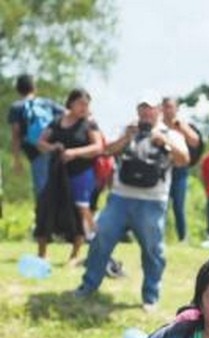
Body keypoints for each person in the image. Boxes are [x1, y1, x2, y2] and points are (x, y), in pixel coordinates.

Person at [73, 95, 189, 310]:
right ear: (137, 111)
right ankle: (88, 286)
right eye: (142, 109)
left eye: (150, 109)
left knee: (153, 250)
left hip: (152, 201)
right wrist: (126, 138)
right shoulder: (127, 130)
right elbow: (106, 151)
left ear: (159, 111)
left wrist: (165, 143)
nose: (146, 113)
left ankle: (150, 297)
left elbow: (184, 159)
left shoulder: (170, 134)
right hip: (120, 198)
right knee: (101, 240)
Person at [34, 88, 103, 262]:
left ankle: (75, 255)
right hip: (57, 174)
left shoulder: (89, 124)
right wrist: (53, 147)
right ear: (71, 103)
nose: (83, 107)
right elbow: (40, 143)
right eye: (80, 103)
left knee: (79, 212)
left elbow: (98, 147)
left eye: (86, 105)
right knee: (45, 208)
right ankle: (42, 253)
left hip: (81, 173)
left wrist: (75, 153)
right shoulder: (57, 122)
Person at [7, 74, 65, 200]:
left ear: (18, 89)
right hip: (55, 148)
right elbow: (68, 114)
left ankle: (44, 217)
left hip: (36, 151)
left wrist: (17, 160)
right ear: (34, 88)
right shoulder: (47, 103)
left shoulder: (16, 107)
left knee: (42, 189)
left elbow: (15, 135)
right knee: (59, 187)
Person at [161, 96, 202, 242]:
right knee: (162, 206)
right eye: (165, 107)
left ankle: (183, 238)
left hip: (180, 172)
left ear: (177, 109)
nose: (168, 110)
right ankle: (160, 237)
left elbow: (195, 141)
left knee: (179, 206)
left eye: (171, 107)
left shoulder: (182, 125)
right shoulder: (158, 126)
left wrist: (181, 128)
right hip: (163, 170)